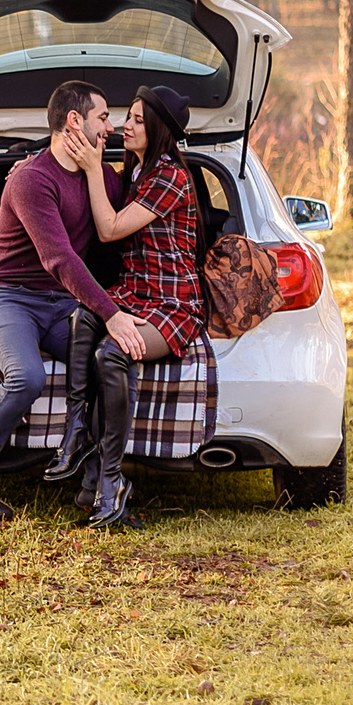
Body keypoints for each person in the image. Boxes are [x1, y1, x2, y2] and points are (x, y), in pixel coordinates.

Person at [0, 80, 154, 523]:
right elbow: (59, 258)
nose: (111, 127)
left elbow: (135, 209)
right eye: (104, 118)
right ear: (75, 121)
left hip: (60, 302)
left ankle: (94, 486)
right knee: (26, 378)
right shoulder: (30, 179)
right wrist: (112, 313)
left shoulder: (100, 175)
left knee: (109, 364)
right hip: (5, 295)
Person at [61, 84, 207, 529]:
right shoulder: (136, 171)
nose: (126, 125)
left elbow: (109, 230)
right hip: (135, 291)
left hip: (174, 302)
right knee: (84, 315)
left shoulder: (168, 176)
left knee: (113, 353)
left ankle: (110, 482)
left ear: (160, 129)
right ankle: (76, 438)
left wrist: (92, 168)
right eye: (128, 116)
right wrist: (28, 164)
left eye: (139, 120)